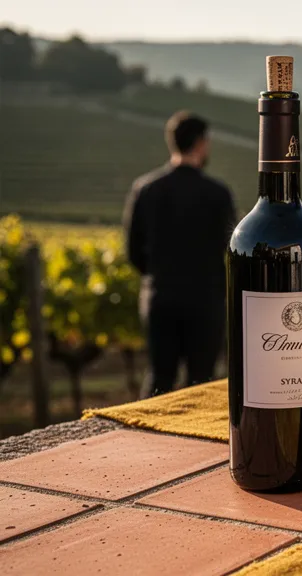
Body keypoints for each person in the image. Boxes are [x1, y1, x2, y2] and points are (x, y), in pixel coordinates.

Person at [123, 111, 236, 397]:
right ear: (200, 143)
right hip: (206, 300)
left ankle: (146, 438)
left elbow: (133, 251)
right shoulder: (218, 194)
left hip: (160, 298)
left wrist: (157, 278)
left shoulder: (145, 189)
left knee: (159, 377)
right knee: (202, 381)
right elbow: (233, 249)